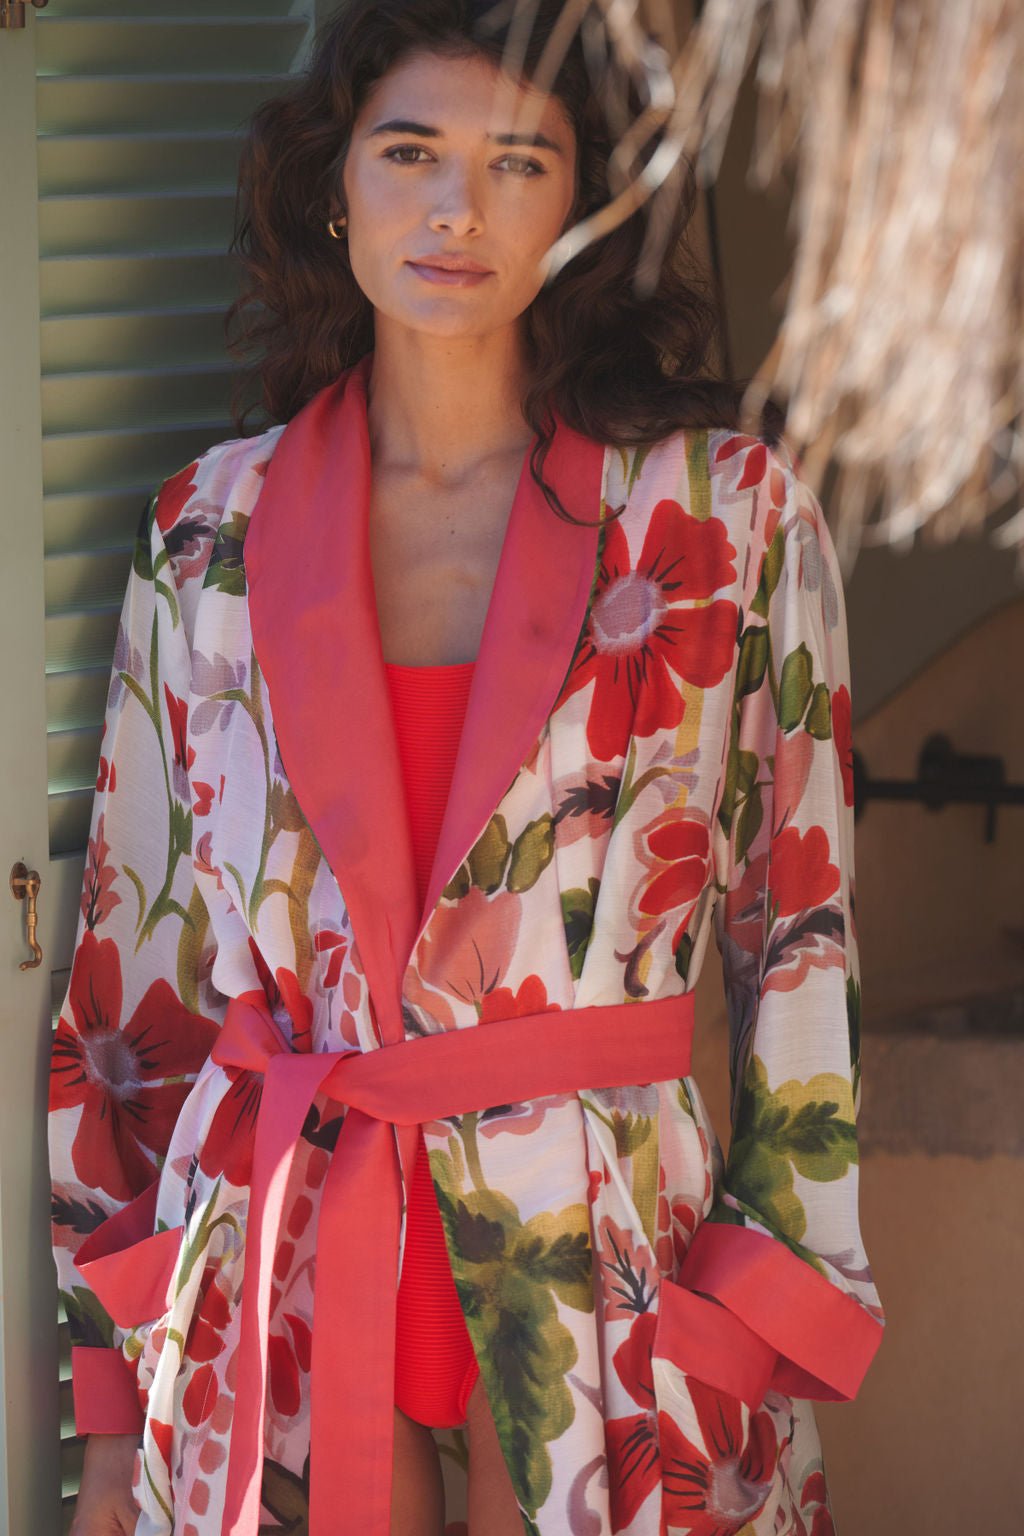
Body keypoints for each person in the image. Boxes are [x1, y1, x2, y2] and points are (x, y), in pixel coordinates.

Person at [50, 3, 884, 1534]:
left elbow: (797, 938)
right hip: (284, 1258)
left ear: (582, 210)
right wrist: (115, 1397)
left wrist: (761, 1312)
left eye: (519, 163)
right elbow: (133, 981)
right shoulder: (203, 535)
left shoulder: (725, 519)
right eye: (411, 152)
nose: (456, 207)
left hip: (607, 1257)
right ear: (333, 187)